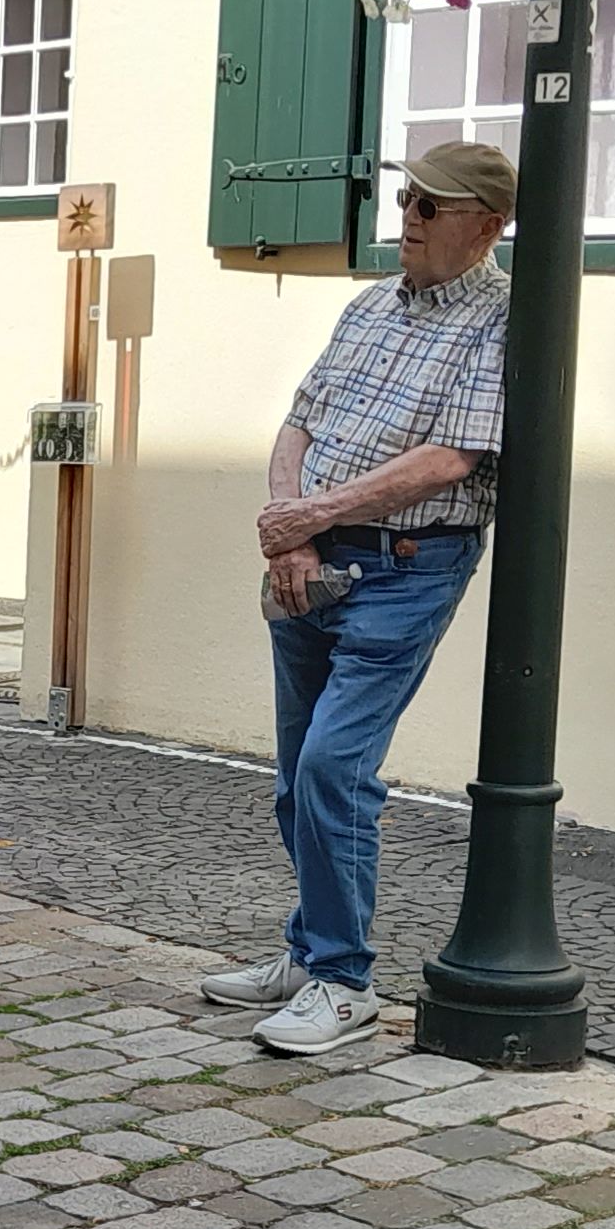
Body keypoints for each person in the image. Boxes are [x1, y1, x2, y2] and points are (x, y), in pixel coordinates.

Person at [203, 141, 515, 1060]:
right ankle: (309, 956)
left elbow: (452, 459)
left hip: (405, 567)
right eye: (408, 200)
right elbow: (302, 419)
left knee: (335, 770)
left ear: (486, 227)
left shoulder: (501, 320)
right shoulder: (370, 303)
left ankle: (344, 981)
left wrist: (308, 516)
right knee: (297, 777)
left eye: (430, 208)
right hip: (308, 560)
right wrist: (292, 530)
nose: (408, 220)